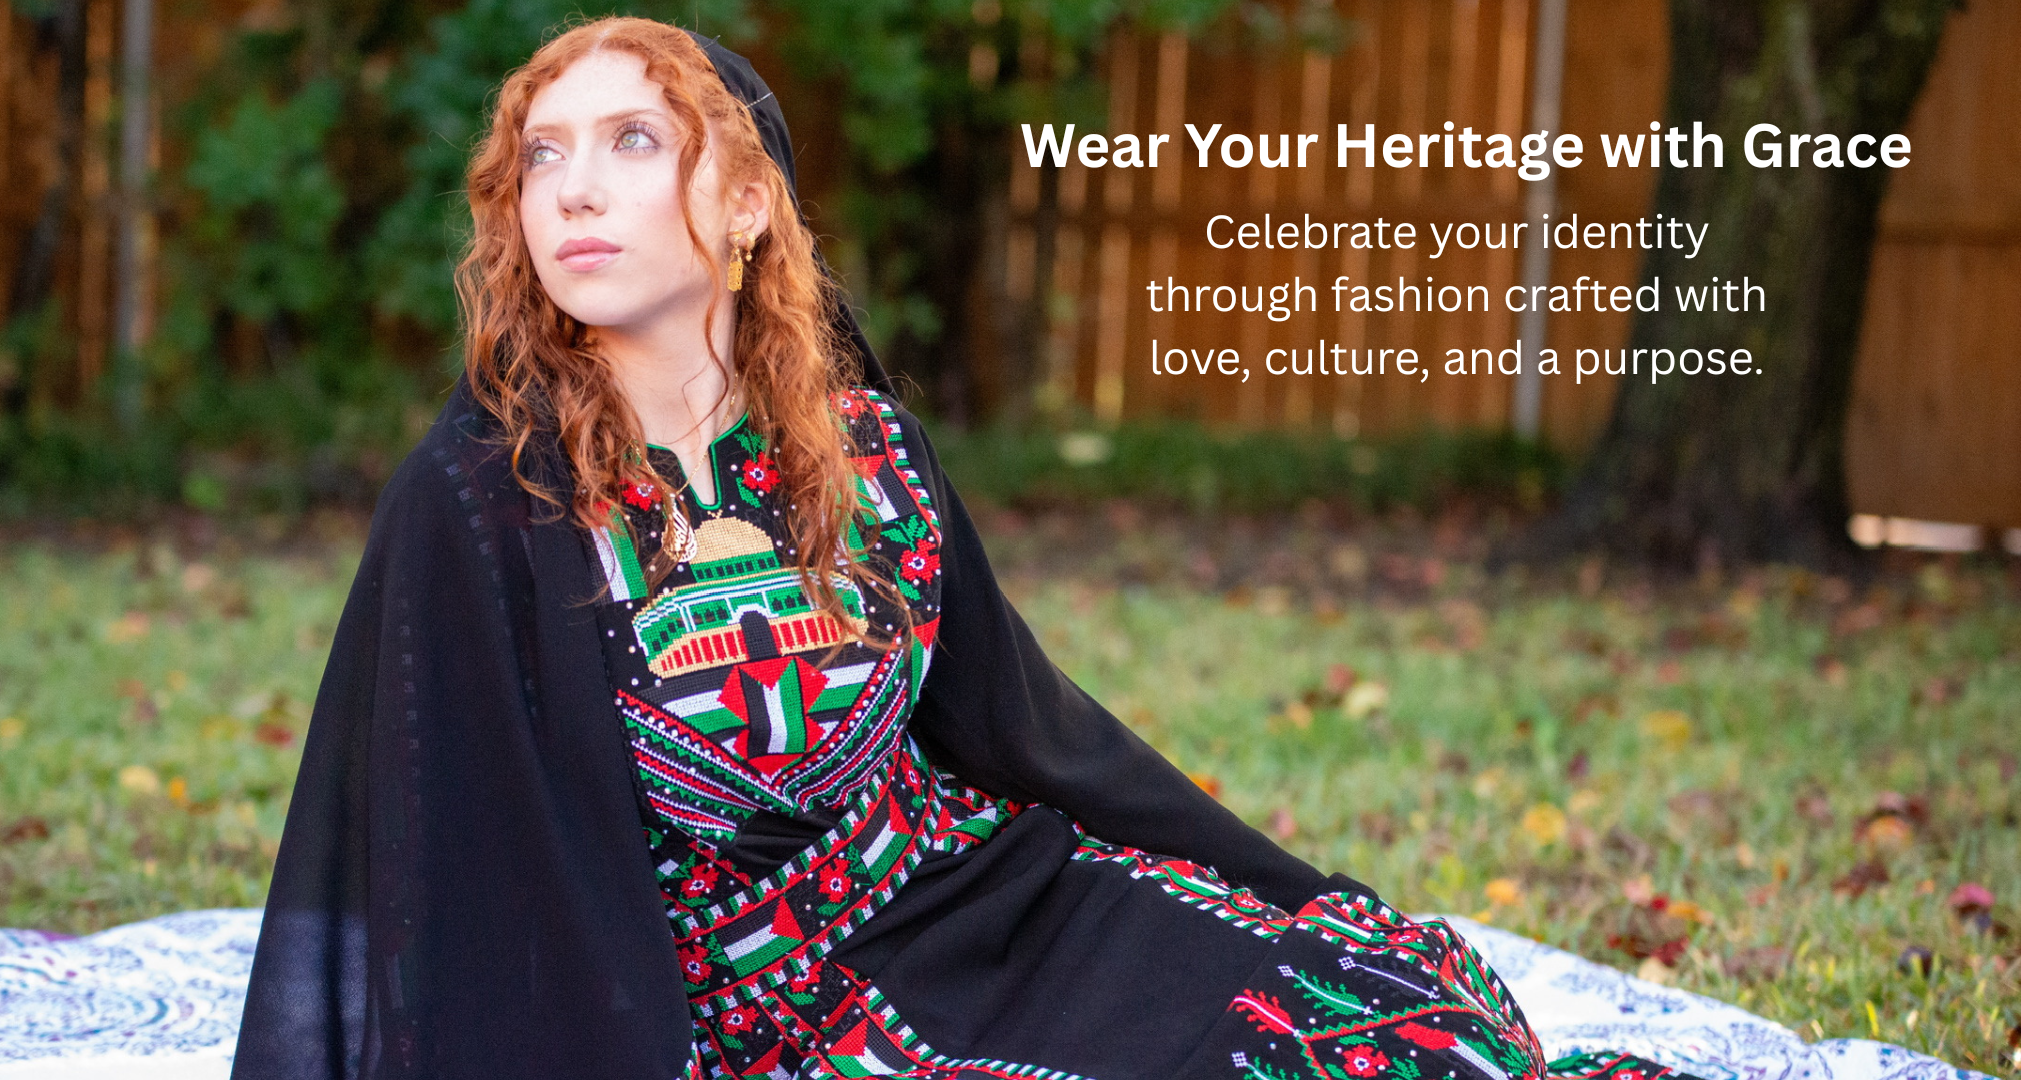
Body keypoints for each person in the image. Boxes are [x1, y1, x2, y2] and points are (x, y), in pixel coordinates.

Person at [229, 17, 1695, 1080]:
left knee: (1398, 1022)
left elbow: (1019, 723)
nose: (574, 188)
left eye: (633, 142)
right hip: (748, 1014)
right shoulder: (487, 497)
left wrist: (1275, 884)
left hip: (975, 896)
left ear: (747, 203)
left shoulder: (866, 449)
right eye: (543, 155)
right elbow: (457, 869)